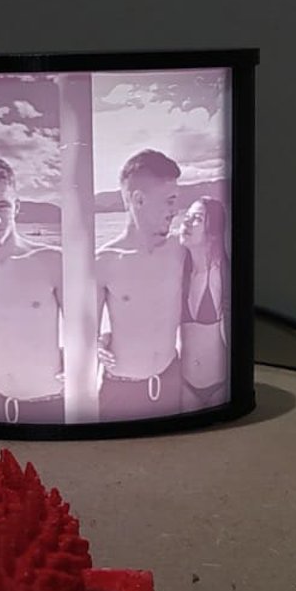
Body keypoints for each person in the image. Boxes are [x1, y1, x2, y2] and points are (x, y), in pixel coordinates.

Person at [0, 153, 65, 423]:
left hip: (50, 402)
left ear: (17, 206)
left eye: (2, 206)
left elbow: (87, 327)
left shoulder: (51, 261)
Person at [94, 149, 187, 420]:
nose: (175, 210)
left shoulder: (180, 249)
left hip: (171, 380)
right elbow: (86, 331)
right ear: (138, 199)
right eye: (169, 201)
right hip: (121, 392)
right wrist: (97, 345)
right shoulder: (104, 261)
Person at [176, 197, 229, 410]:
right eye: (186, 217)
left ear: (213, 232)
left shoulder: (221, 273)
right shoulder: (179, 270)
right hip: (186, 384)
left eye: (196, 218)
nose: (186, 223)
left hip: (220, 384)